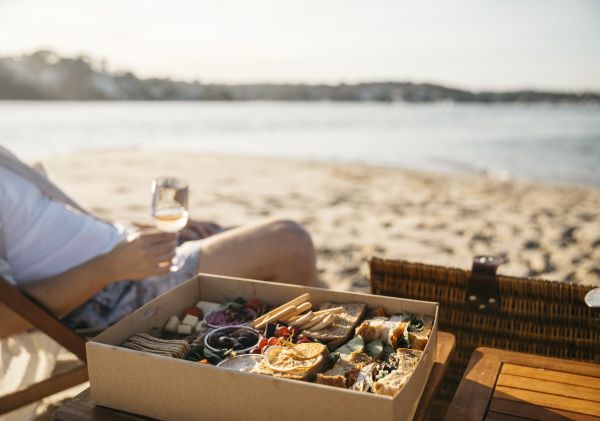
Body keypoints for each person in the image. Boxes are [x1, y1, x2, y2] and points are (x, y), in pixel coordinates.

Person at [0, 145, 317, 338]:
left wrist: (139, 232)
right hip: (108, 293)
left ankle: (292, 349)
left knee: (241, 234)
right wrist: (110, 266)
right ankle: (297, 370)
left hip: (124, 259)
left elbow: (50, 225)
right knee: (288, 241)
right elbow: (5, 320)